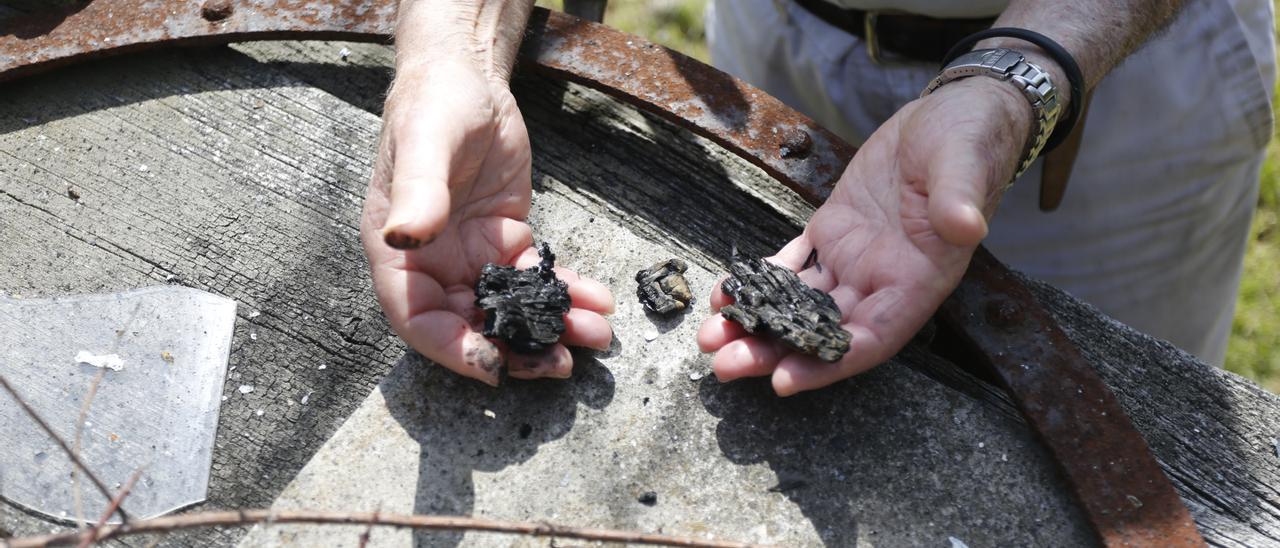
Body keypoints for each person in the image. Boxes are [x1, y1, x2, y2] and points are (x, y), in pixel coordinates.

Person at [362, 0, 1275, 395]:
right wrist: (455, 47)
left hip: (1109, 72)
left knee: (1116, 392)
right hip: (780, 33)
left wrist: (1023, 75)